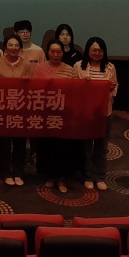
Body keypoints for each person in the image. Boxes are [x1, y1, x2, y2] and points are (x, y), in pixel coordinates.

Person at [32, 39, 76, 193]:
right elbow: (34, 89)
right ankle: (50, 176)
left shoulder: (70, 70)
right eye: (52, 51)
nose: (55, 54)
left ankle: (62, 178)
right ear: (47, 52)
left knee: (63, 147)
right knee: (47, 145)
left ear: (63, 53)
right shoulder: (40, 68)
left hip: (64, 115)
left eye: (58, 52)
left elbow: (75, 91)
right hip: (46, 113)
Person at [76, 36, 118, 191]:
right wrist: (83, 84)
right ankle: (87, 176)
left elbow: (115, 87)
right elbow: (73, 88)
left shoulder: (110, 67)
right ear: (88, 50)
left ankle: (99, 176)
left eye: (100, 50)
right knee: (86, 146)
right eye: (94, 50)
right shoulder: (79, 66)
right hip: (85, 112)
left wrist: (111, 88)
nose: (97, 53)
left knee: (102, 146)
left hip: (104, 112)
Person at [0, 33, 33, 186]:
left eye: (16, 46)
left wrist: (28, 82)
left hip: (20, 108)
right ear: (5, 47)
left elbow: (32, 88)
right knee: (4, 143)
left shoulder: (27, 64)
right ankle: (6, 172)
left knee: (20, 143)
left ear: (20, 48)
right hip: (2, 108)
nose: (13, 48)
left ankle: (18, 172)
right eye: (10, 45)